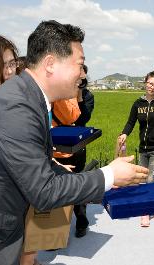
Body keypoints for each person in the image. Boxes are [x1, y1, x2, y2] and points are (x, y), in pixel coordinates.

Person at [0, 20, 148, 265]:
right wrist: (108, 175)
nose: (84, 74)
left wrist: (103, 182)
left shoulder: (28, 98)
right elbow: (44, 191)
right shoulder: (17, 108)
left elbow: (36, 163)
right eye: (80, 65)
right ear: (51, 63)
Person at [118, 66, 154, 227]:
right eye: (150, 83)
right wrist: (124, 134)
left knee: (150, 180)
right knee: (143, 178)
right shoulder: (138, 103)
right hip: (143, 148)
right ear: (145, 83)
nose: (152, 86)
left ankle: (146, 211)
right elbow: (131, 122)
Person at [51, 64, 94, 238]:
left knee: (76, 186)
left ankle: (81, 220)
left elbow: (83, 118)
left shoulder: (88, 95)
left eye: (81, 77)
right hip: (55, 148)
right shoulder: (57, 94)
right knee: (56, 190)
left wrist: (79, 95)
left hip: (76, 147)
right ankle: (56, 231)